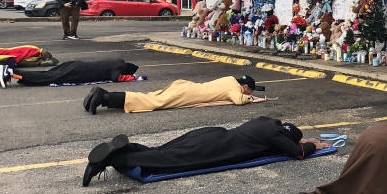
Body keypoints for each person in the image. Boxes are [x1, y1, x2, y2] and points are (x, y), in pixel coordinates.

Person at [81, 118, 332, 186]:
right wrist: (312, 146)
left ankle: (127, 148)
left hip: (211, 134)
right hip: (217, 148)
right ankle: (116, 157)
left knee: (165, 150)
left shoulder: (267, 122)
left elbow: (286, 140)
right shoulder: (277, 136)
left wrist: (299, 139)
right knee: (170, 160)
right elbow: (297, 153)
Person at [82, 73, 265, 114]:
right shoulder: (235, 88)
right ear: (246, 86)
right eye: (250, 89)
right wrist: (250, 98)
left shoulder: (229, 79)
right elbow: (239, 100)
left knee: (150, 97)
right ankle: (103, 97)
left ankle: (104, 97)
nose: (249, 92)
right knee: (151, 103)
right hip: (187, 94)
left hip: (186, 88)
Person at [0, 58, 140, 88]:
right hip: (78, 72)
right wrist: (129, 78)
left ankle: (15, 73)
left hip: (76, 64)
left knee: (48, 74)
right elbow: (116, 78)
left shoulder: (118, 61)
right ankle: (11, 72)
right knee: (48, 78)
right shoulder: (119, 66)